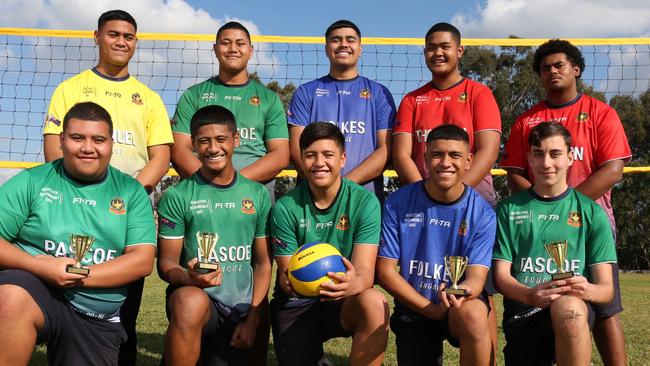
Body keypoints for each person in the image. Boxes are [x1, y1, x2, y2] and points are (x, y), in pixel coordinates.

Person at [41, 11, 173, 365]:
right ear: (96, 37)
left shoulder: (148, 98)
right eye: (113, 34)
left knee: (122, 311)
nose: (121, 41)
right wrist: (80, 194)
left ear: (136, 43)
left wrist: (123, 195)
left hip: (124, 213)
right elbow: (54, 148)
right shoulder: (69, 88)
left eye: (128, 36)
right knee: (64, 294)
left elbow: (160, 157)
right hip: (71, 208)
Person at [500, 39, 631, 366]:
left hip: (590, 216)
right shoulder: (526, 120)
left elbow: (613, 169)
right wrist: (539, 204)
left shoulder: (601, 112)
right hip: (532, 218)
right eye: (545, 68)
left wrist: (564, 205)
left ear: (576, 69)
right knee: (535, 299)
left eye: (559, 65)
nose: (552, 71)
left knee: (603, 306)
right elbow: (514, 171)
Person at [0, 102, 156, 366]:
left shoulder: (131, 192)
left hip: (95, 313)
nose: (88, 148)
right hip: (37, 291)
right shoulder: (31, 181)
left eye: (98, 139)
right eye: (77, 138)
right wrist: (41, 266)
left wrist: (77, 275)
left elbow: (141, 261)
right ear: (61, 141)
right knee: (10, 298)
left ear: (111, 142)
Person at [391, 22, 502, 359]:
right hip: (422, 202)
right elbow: (401, 154)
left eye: (444, 46)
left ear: (459, 50)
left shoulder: (479, 93)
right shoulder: (413, 99)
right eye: (430, 47)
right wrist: (427, 195)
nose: (437, 53)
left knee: (479, 295)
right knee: (423, 281)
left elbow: (488, 149)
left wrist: (455, 193)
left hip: (473, 202)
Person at [494, 122, 617, 365]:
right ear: (529, 158)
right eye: (539, 154)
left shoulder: (591, 212)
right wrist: (530, 295)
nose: (547, 163)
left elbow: (606, 290)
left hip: (572, 311)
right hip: (524, 312)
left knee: (569, 307)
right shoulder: (509, 210)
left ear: (571, 157)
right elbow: (501, 277)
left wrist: (586, 289)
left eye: (555, 154)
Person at [157, 105, 272, 365]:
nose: (213, 148)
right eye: (204, 141)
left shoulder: (257, 194)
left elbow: (263, 262)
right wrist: (189, 277)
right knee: (190, 301)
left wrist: (253, 317)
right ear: (194, 145)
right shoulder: (178, 196)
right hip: (199, 301)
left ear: (235, 140)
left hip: (240, 309)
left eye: (221, 139)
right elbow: (166, 264)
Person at [270, 122, 388, 366]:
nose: (319, 162)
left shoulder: (365, 202)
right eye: (310, 155)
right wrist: (286, 278)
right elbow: (287, 270)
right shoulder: (285, 207)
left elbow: (365, 272)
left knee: (375, 303)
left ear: (343, 158)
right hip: (298, 301)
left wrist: (351, 283)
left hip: (344, 297)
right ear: (301, 160)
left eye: (328, 154)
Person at [377, 124, 495, 366]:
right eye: (437, 154)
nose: (445, 162)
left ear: (469, 160)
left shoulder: (482, 212)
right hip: (415, 305)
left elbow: (476, 278)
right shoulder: (398, 202)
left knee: (473, 314)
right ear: (426, 157)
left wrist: (459, 293)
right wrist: (430, 309)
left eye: (455, 155)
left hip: (458, 305)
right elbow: (386, 271)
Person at [170, 21, 289, 186]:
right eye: (226, 43)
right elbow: (179, 150)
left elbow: (280, 154)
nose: (233, 48)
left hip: (254, 190)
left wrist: (233, 184)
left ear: (250, 51)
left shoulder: (269, 98)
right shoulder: (193, 95)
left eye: (240, 43)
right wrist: (211, 184)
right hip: (202, 189)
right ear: (215, 49)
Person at [287, 19, 395, 200]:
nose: (343, 44)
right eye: (336, 39)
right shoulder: (306, 92)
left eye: (350, 40)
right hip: (314, 198)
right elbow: (297, 148)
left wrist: (343, 186)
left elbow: (386, 150)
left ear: (360, 49)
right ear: (326, 49)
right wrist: (326, 187)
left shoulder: (379, 93)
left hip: (363, 198)